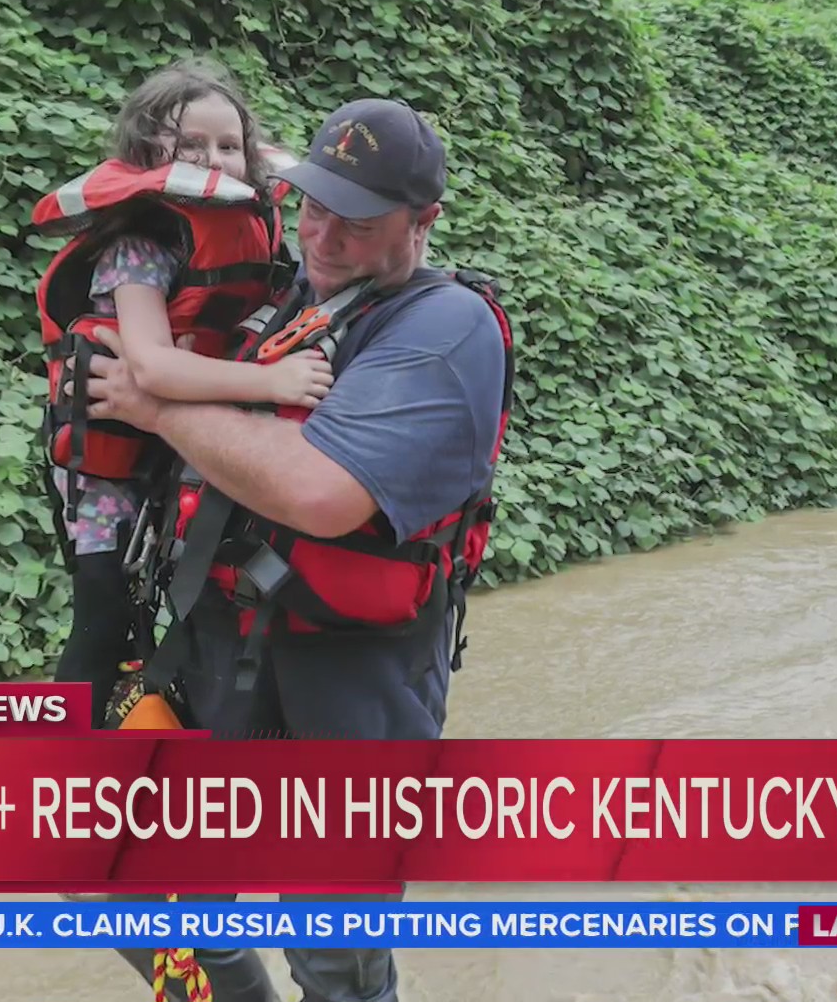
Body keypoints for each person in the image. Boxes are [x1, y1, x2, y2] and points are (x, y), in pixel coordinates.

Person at [82, 98, 515, 1002]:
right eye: (312, 205)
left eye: (355, 222)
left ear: (423, 221)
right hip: (218, 644)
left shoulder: (445, 329)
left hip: (354, 678)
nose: (322, 234)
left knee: (334, 957)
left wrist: (155, 404)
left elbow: (318, 492)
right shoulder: (285, 293)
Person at [32, 58, 335, 726]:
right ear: (147, 152)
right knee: (102, 620)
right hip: (108, 463)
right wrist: (272, 381)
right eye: (191, 145)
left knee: (179, 615)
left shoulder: (259, 227)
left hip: (185, 454)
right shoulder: (140, 241)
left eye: (229, 146)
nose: (214, 159)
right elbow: (152, 369)